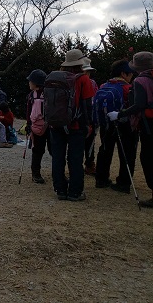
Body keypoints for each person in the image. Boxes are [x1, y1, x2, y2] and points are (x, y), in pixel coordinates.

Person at [108, 51, 153, 208]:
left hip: (149, 125)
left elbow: (139, 105)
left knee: (147, 158)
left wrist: (119, 114)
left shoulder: (141, 80)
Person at [48, 49, 94, 201]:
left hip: (56, 124)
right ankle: (75, 192)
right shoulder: (83, 79)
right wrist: (89, 125)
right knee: (75, 158)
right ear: (80, 63)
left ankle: (60, 189)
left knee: (58, 157)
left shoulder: (55, 77)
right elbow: (87, 105)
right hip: (76, 124)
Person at [94, 60, 136, 193]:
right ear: (124, 74)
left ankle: (101, 178)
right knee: (127, 152)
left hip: (106, 123)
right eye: (130, 74)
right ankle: (123, 182)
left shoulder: (103, 86)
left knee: (105, 149)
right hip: (125, 124)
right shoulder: (127, 88)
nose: (132, 77)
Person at [25, 69, 50, 184]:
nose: (29, 83)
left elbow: (28, 111)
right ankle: (37, 173)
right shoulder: (34, 94)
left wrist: (29, 124)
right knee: (41, 150)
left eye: (30, 81)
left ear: (35, 83)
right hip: (47, 125)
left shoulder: (33, 95)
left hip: (41, 126)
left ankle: (36, 174)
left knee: (40, 150)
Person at [82, 59, 99, 175]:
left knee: (90, 142)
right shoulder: (89, 83)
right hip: (81, 116)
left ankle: (89, 163)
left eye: (88, 72)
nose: (87, 74)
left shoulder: (92, 83)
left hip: (90, 116)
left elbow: (96, 99)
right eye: (86, 71)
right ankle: (82, 165)